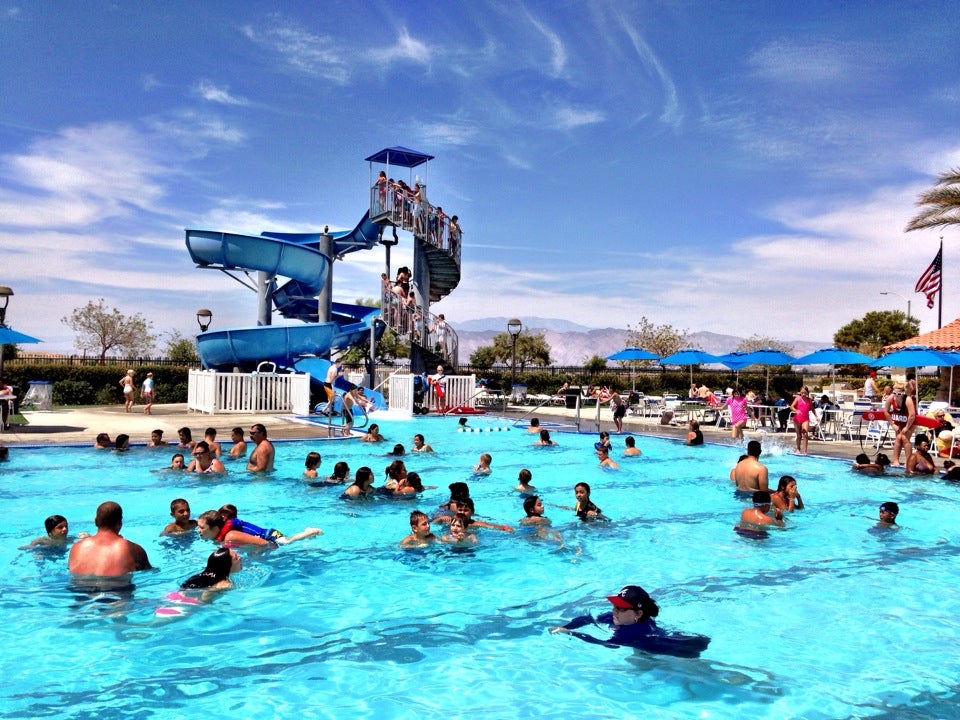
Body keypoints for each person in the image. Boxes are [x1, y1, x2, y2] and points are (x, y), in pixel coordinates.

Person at [550, 585, 710, 658]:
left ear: (637, 613)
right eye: (615, 606)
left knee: (696, 672)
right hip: (649, 645)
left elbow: (607, 643)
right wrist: (565, 626)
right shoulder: (618, 617)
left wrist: (571, 633)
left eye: (621, 609)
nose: (615, 611)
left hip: (671, 647)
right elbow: (588, 619)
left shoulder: (635, 631)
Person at [68, 501, 152, 576]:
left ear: (95, 521)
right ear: (120, 522)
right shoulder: (132, 548)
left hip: (80, 591)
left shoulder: (76, 547)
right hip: (116, 590)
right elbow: (149, 573)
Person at [198, 507, 321, 546]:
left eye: (202, 528)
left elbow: (264, 543)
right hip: (265, 536)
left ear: (215, 529)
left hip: (269, 536)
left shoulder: (230, 536)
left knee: (286, 542)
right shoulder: (219, 537)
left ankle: (309, 532)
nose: (198, 531)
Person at [884, 383, 916, 467]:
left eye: (899, 394)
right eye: (894, 393)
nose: (896, 395)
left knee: (905, 438)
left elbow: (912, 415)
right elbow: (886, 412)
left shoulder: (907, 399)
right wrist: (892, 424)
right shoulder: (891, 398)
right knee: (898, 438)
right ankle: (895, 460)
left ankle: (908, 461)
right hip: (899, 421)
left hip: (910, 421)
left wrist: (907, 427)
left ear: (903, 393)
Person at [20, 514, 88, 549]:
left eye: (66, 526)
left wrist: (87, 537)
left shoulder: (70, 539)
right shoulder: (42, 540)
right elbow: (26, 547)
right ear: (50, 531)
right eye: (60, 527)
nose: (65, 529)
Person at [789, 386, 815, 455]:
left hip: (805, 419)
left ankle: (805, 451)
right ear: (800, 392)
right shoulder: (797, 398)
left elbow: (812, 408)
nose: (803, 394)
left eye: (805, 393)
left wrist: (816, 416)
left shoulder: (809, 400)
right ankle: (798, 449)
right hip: (797, 418)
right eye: (802, 393)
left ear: (807, 393)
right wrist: (796, 410)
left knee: (805, 434)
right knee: (799, 435)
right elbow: (791, 406)